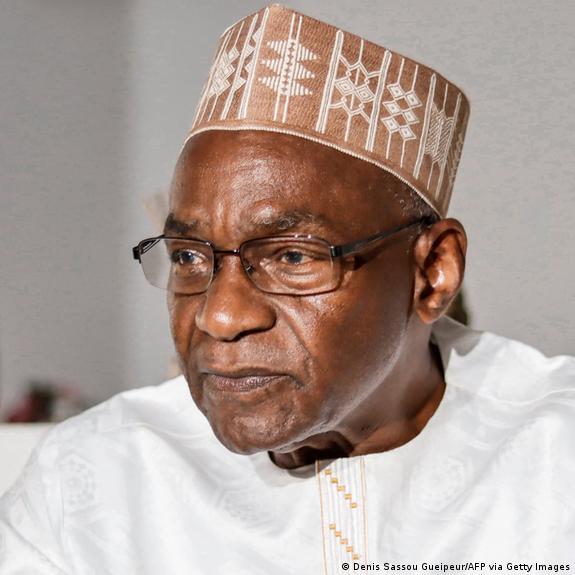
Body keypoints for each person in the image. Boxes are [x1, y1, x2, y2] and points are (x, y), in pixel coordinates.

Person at [1, 5, 573, 573]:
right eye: (189, 257)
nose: (219, 317)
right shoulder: (89, 484)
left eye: (292, 256)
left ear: (432, 271)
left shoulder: (555, 460)